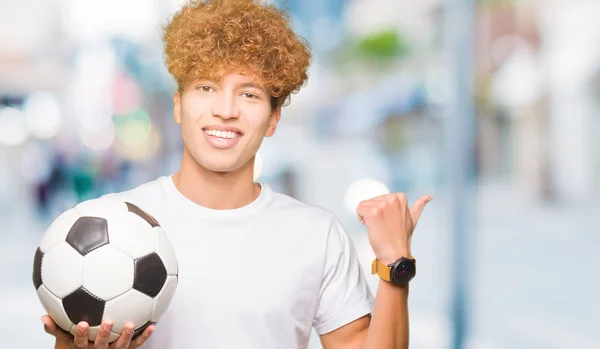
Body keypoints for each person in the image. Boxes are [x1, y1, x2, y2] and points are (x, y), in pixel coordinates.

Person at [41, 0, 432, 348]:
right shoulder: (106, 223)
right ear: (179, 105)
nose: (226, 109)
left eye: (249, 94)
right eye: (207, 87)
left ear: (274, 118)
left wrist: (395, 266)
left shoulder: (317, 235)